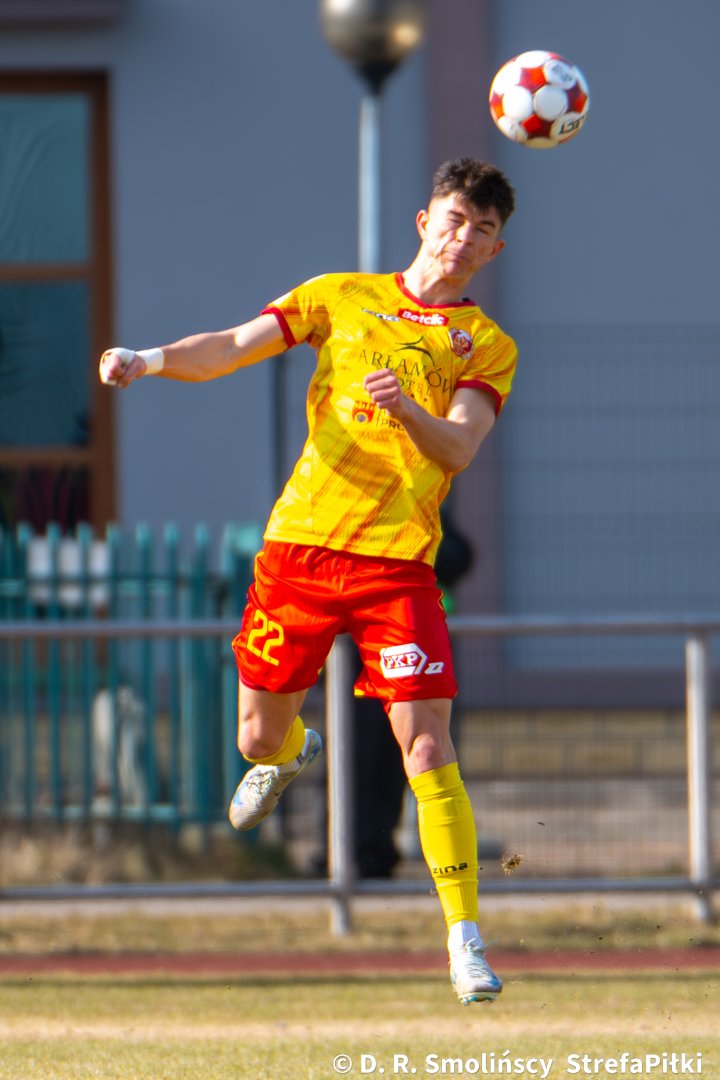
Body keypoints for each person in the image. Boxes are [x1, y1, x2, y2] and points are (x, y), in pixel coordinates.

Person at [99, 157, 517, 1006]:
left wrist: (408, 410)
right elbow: (230, 347)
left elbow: (461, 448)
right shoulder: (340, 296)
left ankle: (465, 941)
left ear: (495, 249)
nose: (463, 238)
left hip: (398, 567)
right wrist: (147, 359)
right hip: (299, 551)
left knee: (426, 745)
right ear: (424, 221)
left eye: (483, 229)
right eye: (454, 219)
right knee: (257, 740)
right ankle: (295, 753)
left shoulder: (488, 345)